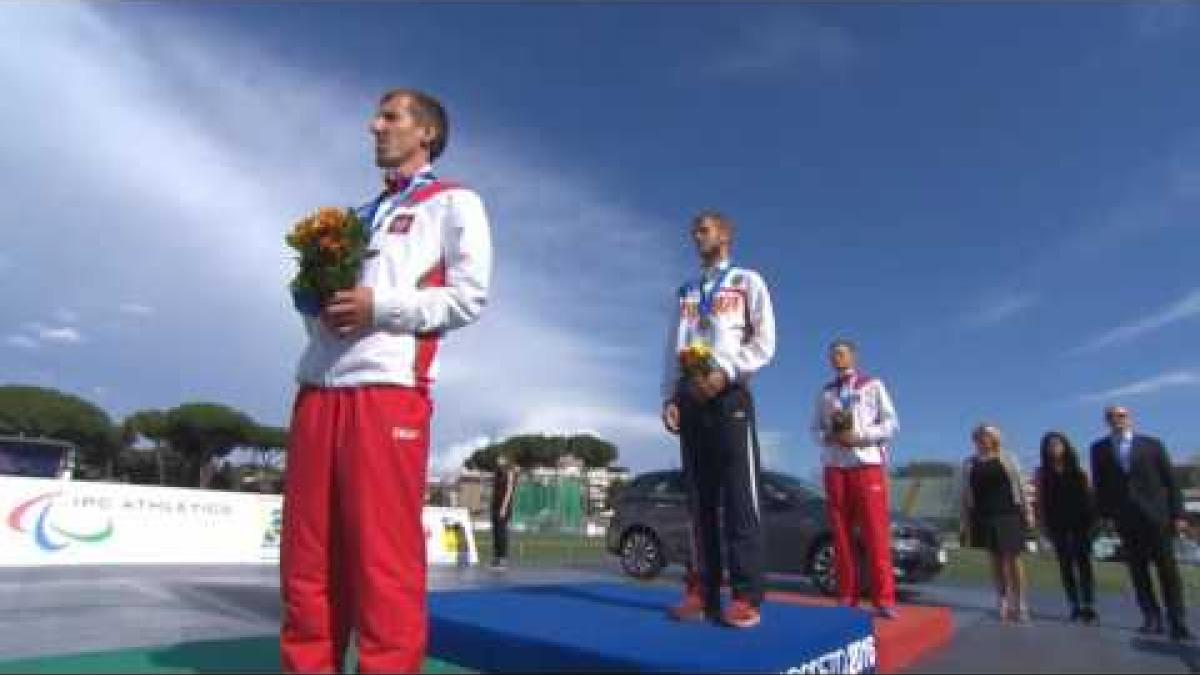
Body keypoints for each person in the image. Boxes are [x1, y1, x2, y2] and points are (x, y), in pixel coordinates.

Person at [280, 88, 493, 673]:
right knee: (307, 561)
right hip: (318, 392)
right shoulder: (350, 220)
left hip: (387, 393)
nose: (374, 125)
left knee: (383, 562)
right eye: (377, 116)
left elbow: (468, 298)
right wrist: (312, 302)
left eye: (390, 116)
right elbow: (327, 309)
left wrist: (380, 307)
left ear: (425, 133)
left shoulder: (454, 201)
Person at [661, 210, 776, 629]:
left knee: (740, 497)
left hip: (730, 396)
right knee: (699, 500)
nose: (696, 236)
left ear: (725, 234)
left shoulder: (748, 281)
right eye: (693, 231)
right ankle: (701, 591)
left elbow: (765, 342)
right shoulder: (687, 291)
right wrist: (670, 396)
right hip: (691, 397)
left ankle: (747, 597)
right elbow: (673, 346)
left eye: (704, 230)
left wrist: (726, 371)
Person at [810, 339, 900, 619]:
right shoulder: (825, 393)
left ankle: (883, 598)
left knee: (876, 533)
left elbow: (892, 423)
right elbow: (814, 428)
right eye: (833, 354)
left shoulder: (872, 385)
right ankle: (846, 595)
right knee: (840, 534)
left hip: (866, 464)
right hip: (836, 466)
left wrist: (859, 437)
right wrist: (828, 437)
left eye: (842, 353)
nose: (837, 358)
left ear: (854, 356)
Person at [1090, 405, 1191, 641]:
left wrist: (1179, 515)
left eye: (1122, 416)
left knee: (1167, 570)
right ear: (1107, 421)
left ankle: (1177, 620)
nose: (1118, 420)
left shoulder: (1152, 445)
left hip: (1156, 517)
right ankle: (1151, 617)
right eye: (1112, 417)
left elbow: (1170, 482)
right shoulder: (1099, 449)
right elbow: (1101, 486)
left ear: (1130, 418)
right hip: (1126, 518)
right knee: (1138, 570)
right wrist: (1105, 517)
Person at [960, 424, 1033, 624]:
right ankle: (1002, 600)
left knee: (1014, 559)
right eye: (979, 437)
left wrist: (1028, 512)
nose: (982, 440)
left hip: (1008, 513)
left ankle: (1021, 603)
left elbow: (1020, 485)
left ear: (994, 438)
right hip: (983, 515)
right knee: (995, 560)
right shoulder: (969, 463)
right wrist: (966, 521)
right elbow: (965, 495)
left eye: (986, 436)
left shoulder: (1008, 459)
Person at [1035, 431, 1097, 623]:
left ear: (1065, 446)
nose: (1054, 448)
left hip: (1081, 522)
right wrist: (1042, 525)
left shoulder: (1080, 470)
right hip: (1057, 523)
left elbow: (1091, 496)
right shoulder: (1041, 472)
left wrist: (1094, 522)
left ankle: (1089, 605)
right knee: (1065, 565)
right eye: (1050, 445)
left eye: (1058, 444)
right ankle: (1074, 604)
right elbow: (1040, 501)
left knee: (1084, 564)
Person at [490, 454, 519, 570]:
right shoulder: (497, 473)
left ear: (505, 461)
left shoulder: (509, 473)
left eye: (501, 459)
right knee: (495, 531)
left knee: (502, 532)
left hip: (504, 506)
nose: (498, 461)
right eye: (497, 459)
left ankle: (503, 558)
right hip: (495, 505)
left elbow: (509, 491)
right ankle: (496, 557)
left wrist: (504, 507)